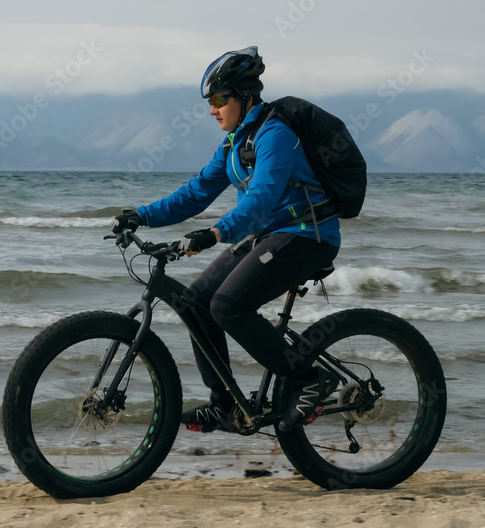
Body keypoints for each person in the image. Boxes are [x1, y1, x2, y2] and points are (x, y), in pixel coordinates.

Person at [108, 46, 342, 433]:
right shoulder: (234, 143)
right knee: (195, 301)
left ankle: (309, 379)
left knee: (228, 306)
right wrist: (141, 216)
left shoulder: (275, 134)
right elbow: (197, 192)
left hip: (306, 235)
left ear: (244, 96)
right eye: (210, 102)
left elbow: (262, 198)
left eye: (218, 100)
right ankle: (225, 404)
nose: (212, 110)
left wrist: (216, 233)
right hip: (270, 235)